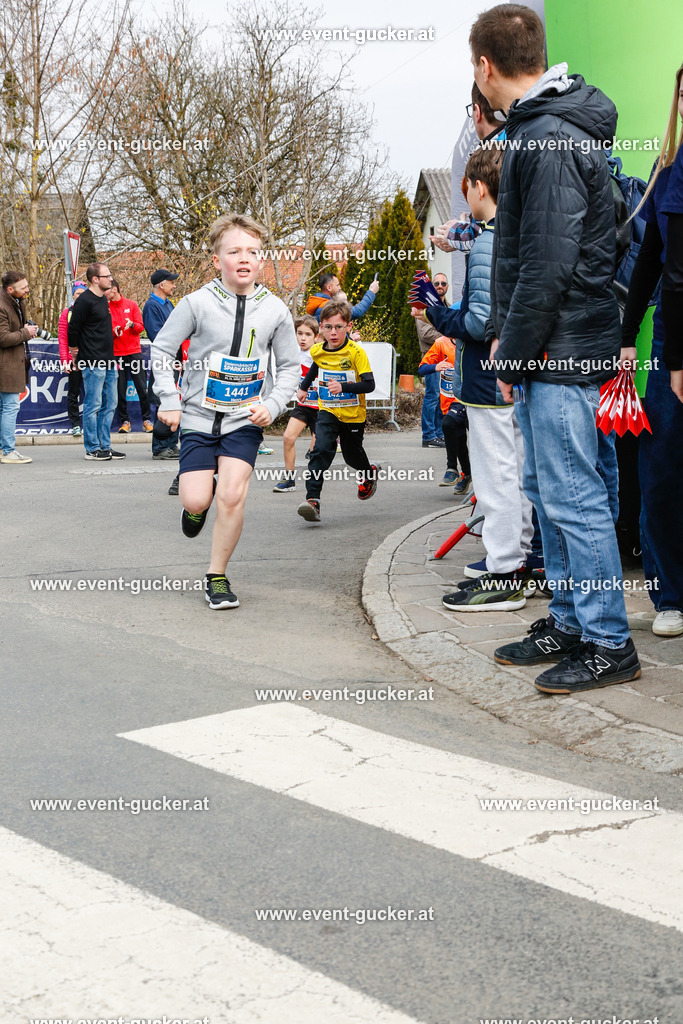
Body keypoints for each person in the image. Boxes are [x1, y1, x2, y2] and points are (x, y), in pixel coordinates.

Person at [469, 3, 640, 691]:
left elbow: (546, 263)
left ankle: (606, 641)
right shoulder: (547, 127)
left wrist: (509, 354)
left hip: (557, 350)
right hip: (556, 347)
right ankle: (570, 621)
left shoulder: (546, 135)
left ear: (485, 66)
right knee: (553, 489)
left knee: (572, 497)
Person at [151, 212, 300, 610]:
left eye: (252, 251)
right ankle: (196, 506)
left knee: (232, 495)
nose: (244, 258)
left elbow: (290, 367)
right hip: (199, 418)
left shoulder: (275, 310)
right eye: (234, 250)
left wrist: (273, 404)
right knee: (197, 500)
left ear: (262, 259)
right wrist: (169, 399)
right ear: (217, 259)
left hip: (243, 420)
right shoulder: (196, 303)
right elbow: (162, 350)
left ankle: (216, 576)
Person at [415, 143, 535, 612]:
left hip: (488, 379)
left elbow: (481, 321)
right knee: (515, 469)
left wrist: (437, 312)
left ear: (478, 188)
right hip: (513, 374)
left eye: (466, 191)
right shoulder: (508, 229)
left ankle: (504, 573)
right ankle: (515, 559)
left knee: (495, 473)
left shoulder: (488, 240)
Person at [621, 61, 683, 638]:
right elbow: (649, 264)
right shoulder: (667, 173)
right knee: (661, 466)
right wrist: (624, 337)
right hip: (670, 343)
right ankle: (668, 593)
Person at [296, 299, 378, 523]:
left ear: (348, 327)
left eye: (339, 327)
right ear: (321, 327)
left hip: (353, 416)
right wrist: (303, 388)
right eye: (329, 327)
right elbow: (315, 366)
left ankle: (368, 472)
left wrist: (344, 387)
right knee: (320, 449)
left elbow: (369, 385)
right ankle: (313, 499)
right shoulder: (318, 350)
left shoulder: (355, 353)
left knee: (352, 456)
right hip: (328, 410)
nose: (333, 333)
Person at [67, 263, 124, 461]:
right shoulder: (84, 301)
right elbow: (72, 328)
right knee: (93, 404)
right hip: (92, 361)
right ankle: (92, 448)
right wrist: (75, 350)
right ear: (95, 279)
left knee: (111, 403)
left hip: (109, 359)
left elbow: (96, 328)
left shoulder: (102, 299)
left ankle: (104, 445)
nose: (110, 278)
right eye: (107, 276)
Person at [417, 335, 471, 491]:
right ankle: (462, 472)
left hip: (472, 398)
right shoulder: (441, 343)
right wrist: (436, 367)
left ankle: (455, 469)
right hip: (451, 402)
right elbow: (422, 368)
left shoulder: (473, 340)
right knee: (456, 434)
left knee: (455, 429)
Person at [273, 314, 319, 493]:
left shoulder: (320, 353)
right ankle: (289, 479)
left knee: (318, 450)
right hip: (304, 406)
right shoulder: (293, 354)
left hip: (322, 409)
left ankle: (315, 484)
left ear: (316, 336)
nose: (303, 338)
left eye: (307, 334)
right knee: (288, 438)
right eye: (299, 333)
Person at [143, 269, 181, 463]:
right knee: (162, 401)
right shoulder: (151, 306)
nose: (174, 285)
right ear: (161, 284)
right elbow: (156, 335)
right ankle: (159, 448)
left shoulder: (169, 304)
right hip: (163, 361)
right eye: (171, 282)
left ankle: (172, 444)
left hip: (174, 359)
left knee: (175, 400)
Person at [0, 271, 37, 464]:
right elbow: (3, 338)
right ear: (9, 289)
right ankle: (8, 451)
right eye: (23, 288)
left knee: (4, 408)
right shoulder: (1, 305)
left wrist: (26, 329)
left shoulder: (16, 301)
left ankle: (3, 449)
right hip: (6, 366)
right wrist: (25, 332)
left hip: (11, 364)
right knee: (10, 407)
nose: (27, 290)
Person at [107, 279, 153, 433]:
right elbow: (104, 332)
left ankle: (147, 420)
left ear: (114, 289)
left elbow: (141, 326)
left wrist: (132, 325)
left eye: (106, 289)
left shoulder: (131, 304)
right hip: (116, 355)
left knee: (142, 388)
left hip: (133, 352)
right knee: (120, 391)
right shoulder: (105, 307)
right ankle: (125, 422)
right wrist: (115, 332)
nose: (104, 293)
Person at [415, 273, 448, 448]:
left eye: (443, 283)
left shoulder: (448, 306)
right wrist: (447, 332)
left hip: (447, 358)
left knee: (442, 397)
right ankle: (428, 435)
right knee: (432, 396)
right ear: (432, 287)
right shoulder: (423, 306)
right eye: (436, 283)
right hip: (432, 358)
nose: (440, 285)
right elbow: (425, 334)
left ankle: (439, 434)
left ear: (447, 287)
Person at [58, 281, 87, 436]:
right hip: (73, 360)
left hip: (91, 359)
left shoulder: (92, 311)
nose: (80, 296)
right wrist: (65, 361)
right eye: (78, 294)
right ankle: (75, 424)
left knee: (92, 394)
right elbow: (62, 339)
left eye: (83, 293)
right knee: (73, 393)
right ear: (73, 295)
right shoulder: (66, 313)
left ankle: (91, 426)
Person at [305, 271, 379, 322]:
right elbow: (357, 312)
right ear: (329, 288)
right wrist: (371, 292)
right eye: (337, 285)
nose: (339, 288)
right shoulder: (328, 307)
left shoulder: (319, 304)